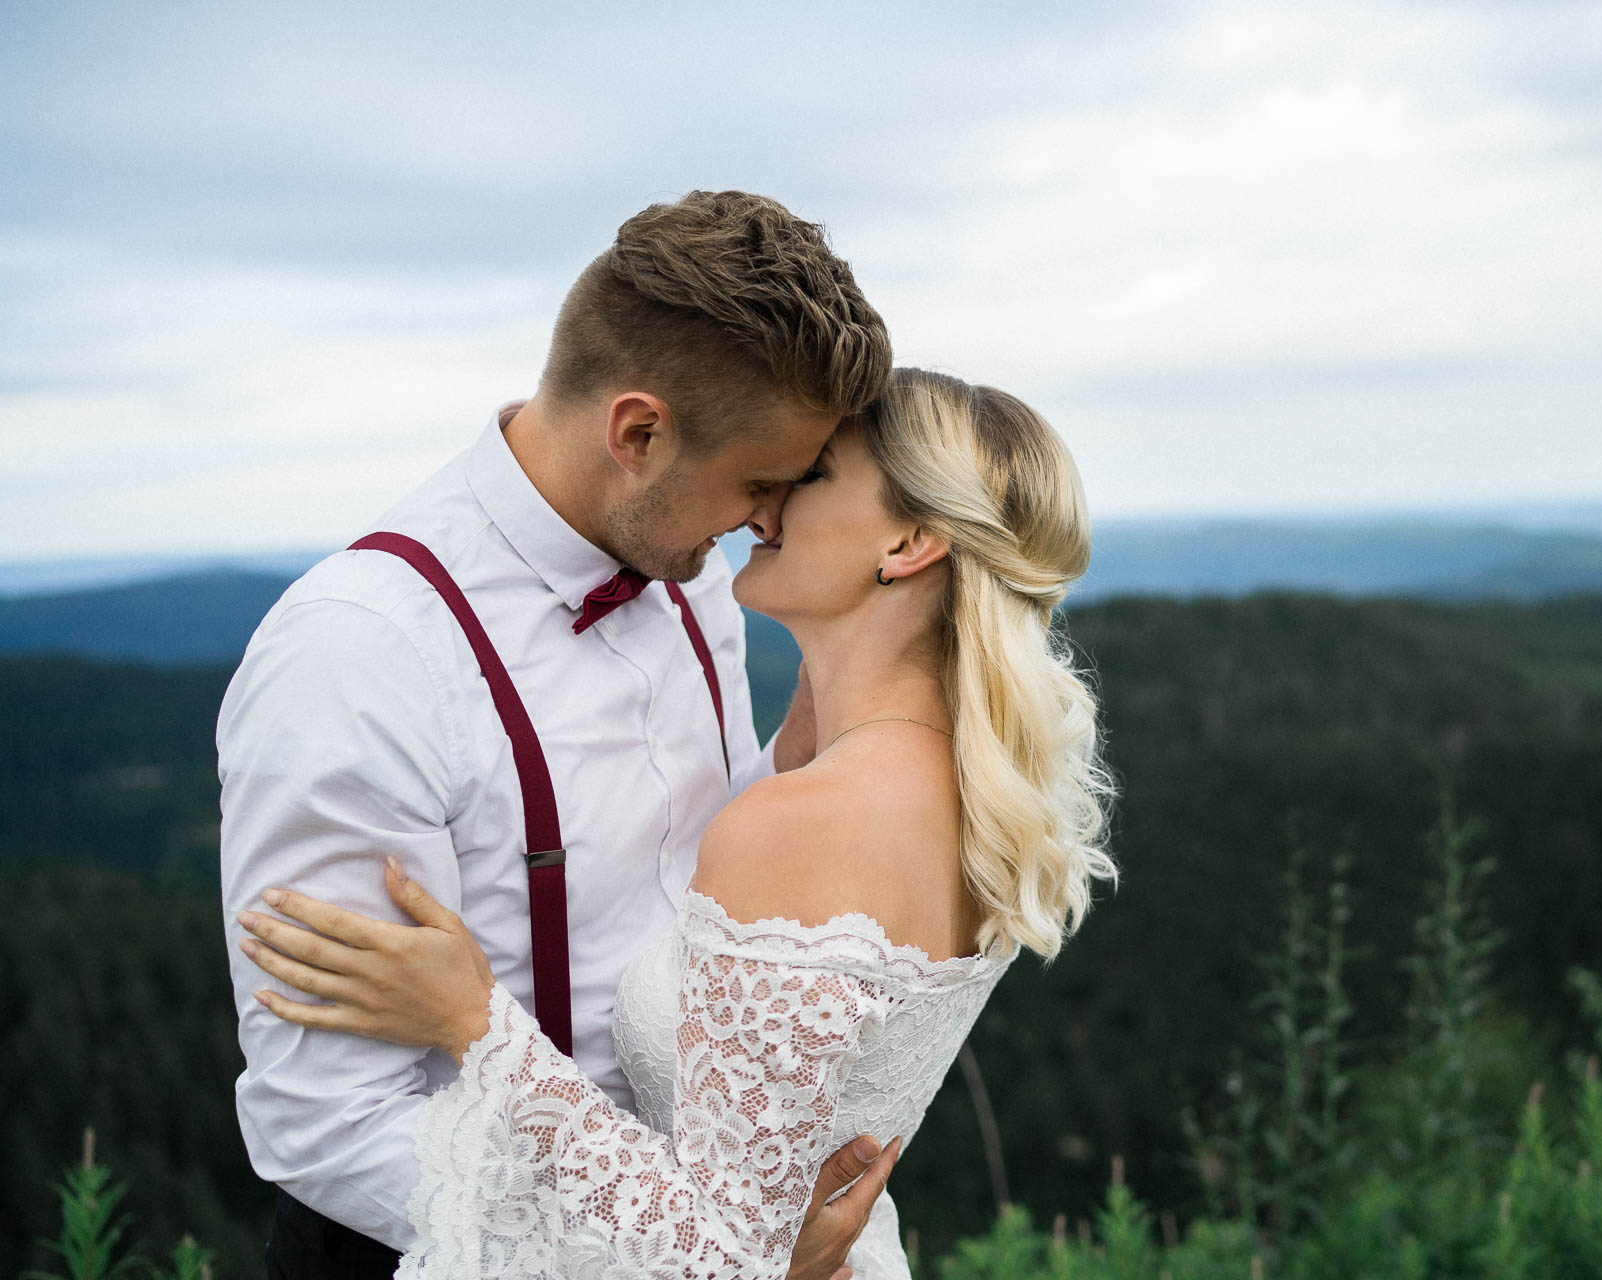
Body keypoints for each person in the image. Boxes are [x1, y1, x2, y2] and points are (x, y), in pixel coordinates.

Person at [235, 369, 1115, 1278]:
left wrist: (474, 1020)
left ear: (910, 540)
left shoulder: (804, 825)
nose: (762, 511)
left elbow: (727, 1260)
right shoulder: (970, 778)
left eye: (809, 478)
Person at [217, 190, 893, 1280]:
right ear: (637, 432)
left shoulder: (690, 568)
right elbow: (326, 1125)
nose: (768, 521)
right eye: (759, 483)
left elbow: (682, 862)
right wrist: (678, 1250)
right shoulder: (358, 656)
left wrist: (798, 760)